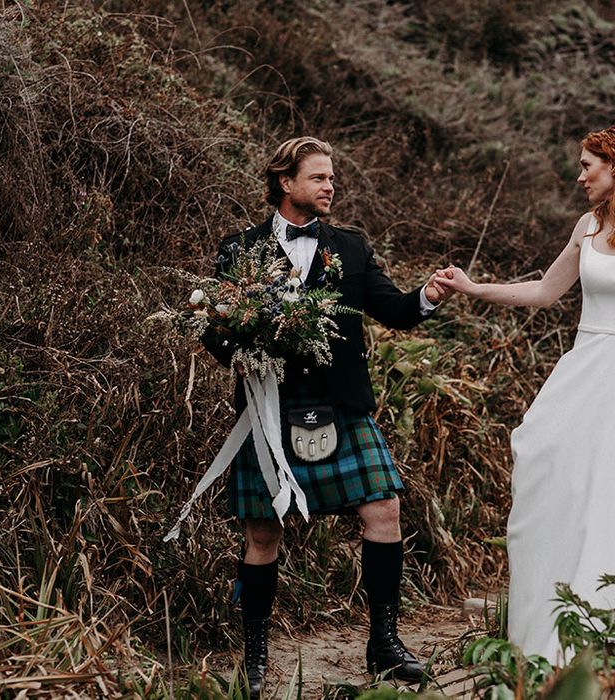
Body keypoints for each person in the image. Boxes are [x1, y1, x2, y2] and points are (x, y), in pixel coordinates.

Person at [202, 136, 452, 696]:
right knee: (262, 532)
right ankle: (256, 656)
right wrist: (248, 339)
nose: (330, 185)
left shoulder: (351, 248)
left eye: (332, 177)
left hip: (340, 404)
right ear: (285, 183)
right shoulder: (241, 250)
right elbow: (215, 334)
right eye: (318, 177)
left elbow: (394, 310)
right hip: (270, 407)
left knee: (384, 509)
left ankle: (384, 645)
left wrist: (429, 295)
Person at [434, 126, 615, 663]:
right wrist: (472, 287)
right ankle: (558, 632)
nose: (579, 176)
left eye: (589, 166)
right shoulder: (588, 225)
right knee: (551, 475)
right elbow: (542, 291)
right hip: (585, 370)